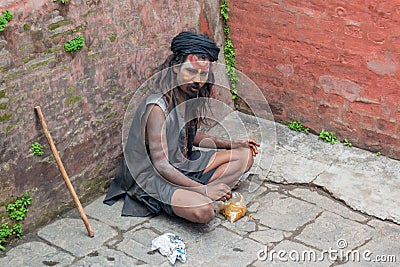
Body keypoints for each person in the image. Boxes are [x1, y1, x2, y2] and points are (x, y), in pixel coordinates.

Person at [104, 31, 259, 223]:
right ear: (176, 67)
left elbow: (189, 136)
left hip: (183, 163)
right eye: (192, 71)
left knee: (245, 156)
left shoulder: (188, 96)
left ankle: (195, 191)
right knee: (204, 212)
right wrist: (204, 190)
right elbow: (161, 165)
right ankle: (198, 193)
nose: (198, 80)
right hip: (154, 178)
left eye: (203, 74)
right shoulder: (156, 108)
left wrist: (230, 144)